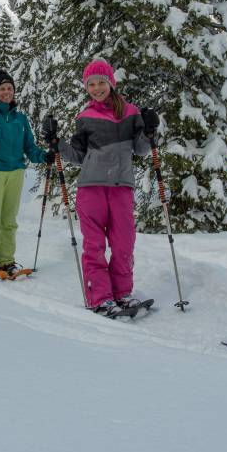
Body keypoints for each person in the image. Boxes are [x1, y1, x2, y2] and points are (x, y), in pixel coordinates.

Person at [47, 59, 156, 316]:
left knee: (123, 244)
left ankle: (123, 294)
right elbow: (77, 155)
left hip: (121, 187)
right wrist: (56, 142)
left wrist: (150, 131)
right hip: (91, 188)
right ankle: (101, 297)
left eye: (101, 82)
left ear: (111, 83)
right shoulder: (84, 117)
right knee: (94, 245)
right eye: (91, 84)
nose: (96, 88)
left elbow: (141, 149)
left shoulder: (130, 113)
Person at [0, 70, 49, 277]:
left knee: (9, 219)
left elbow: (30, 148)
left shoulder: (21, 119)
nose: (6, 92)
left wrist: (44, 156)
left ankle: (5, 261)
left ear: (14, 91)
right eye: (2, 88)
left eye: (9, 88)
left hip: (15, 171)